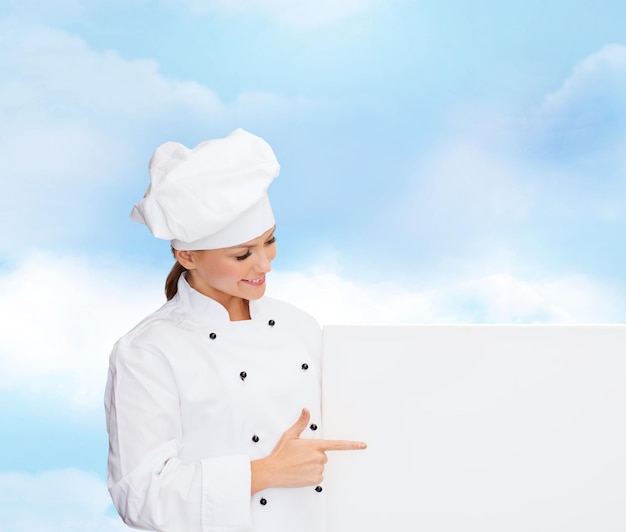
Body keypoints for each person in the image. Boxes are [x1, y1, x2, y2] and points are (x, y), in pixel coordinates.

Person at [104, 128, 366, 532]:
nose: (265, 265)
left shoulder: (300, 326)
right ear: (186, 255)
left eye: (269, 241)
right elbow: (141, 497)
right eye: (242, 254)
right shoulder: (148, 351)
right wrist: (264, 472)